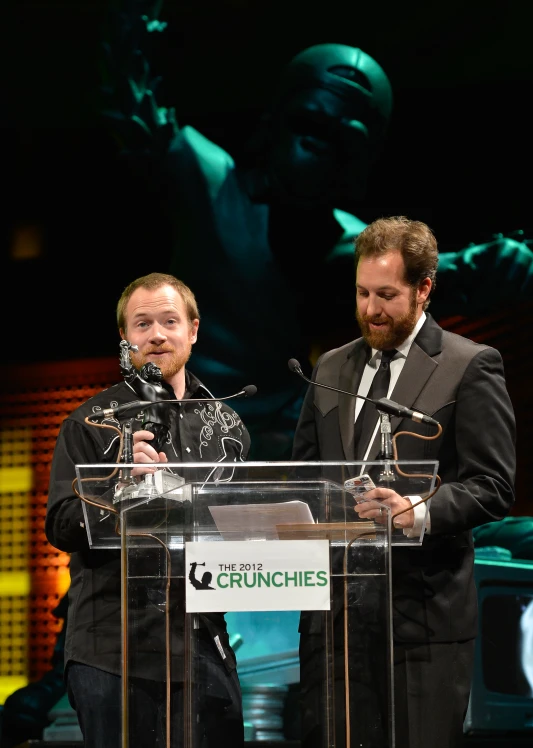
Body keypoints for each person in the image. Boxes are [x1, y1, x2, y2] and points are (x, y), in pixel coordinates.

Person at [100, 5, 532, 460]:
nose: (316, 154)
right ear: (275, 122)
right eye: (309, 127)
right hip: (181, 424)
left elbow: (418, 279)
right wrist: (132, 21)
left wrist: (489, 265)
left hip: (288, 441)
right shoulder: (213, 186)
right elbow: (134, 109)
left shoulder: (353, 243)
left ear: (360, 164)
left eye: (340, 144)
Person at [291, 216, 516, 748]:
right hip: (335, 622)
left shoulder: (469, 365)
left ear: (424, 288)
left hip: (423, 623)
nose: (371, 309)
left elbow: (493, 485)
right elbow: (301, 477)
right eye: (363, 293)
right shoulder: (331, 368)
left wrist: (417, 511)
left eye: (387, 295)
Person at [45, 272, 250, 748]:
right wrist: (121, 488)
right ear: (125, 338)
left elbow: (238, 530)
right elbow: (61, 524)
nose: (156, 334)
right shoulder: (90, 423)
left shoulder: (230, 426)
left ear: (193, 330)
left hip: (203, 644)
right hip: (111, 649)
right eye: (142, 324)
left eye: (169, 321)